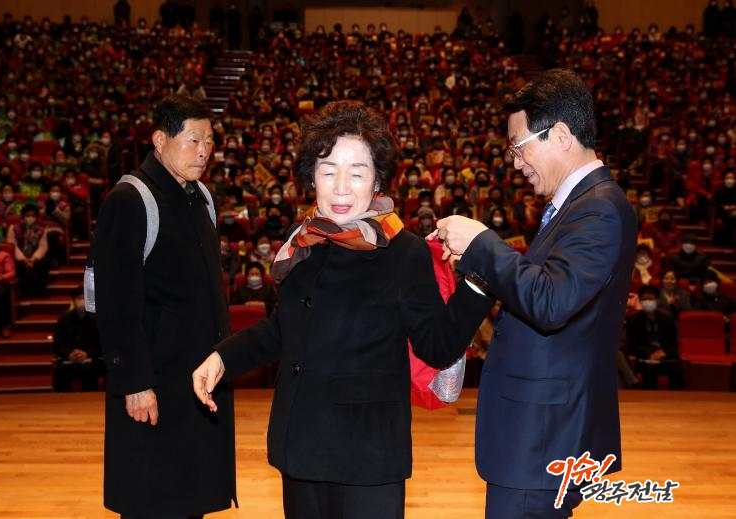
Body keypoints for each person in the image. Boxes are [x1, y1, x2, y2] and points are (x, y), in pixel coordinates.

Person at [192, 101, 488, 519]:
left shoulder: (403, 252)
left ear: (378, 180)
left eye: (357, 172)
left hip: (366, 457)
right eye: (329, 171)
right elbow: (283, 329)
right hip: (300, 446)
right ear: (311, 176)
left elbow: (437, 346)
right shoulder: (303, 241)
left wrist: (477, 282)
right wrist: (223, 357)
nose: (342, 188)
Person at [433, 69, 637, 517]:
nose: (515, 162)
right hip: (540, 435)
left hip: (543, 438)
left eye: (518, 146)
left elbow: (551, 301)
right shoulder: (579, 207)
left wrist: (482, 242)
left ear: (560, 135)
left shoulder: (598, 209)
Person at [93, 95, 235, 518]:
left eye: (209, 142)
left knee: (191, 500)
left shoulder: (201, 197)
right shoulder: (130, 200)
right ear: (159, 140)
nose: (204, 151)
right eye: (193, 140)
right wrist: (134, 382)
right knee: (152, 501)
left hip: (196, 381)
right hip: (154, 385)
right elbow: (115, 304)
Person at [626, 285, 685, 390]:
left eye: (651, 299)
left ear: (657, 300)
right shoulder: (633, 320)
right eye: (644, 299)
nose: (647, 302)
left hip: (665, 357)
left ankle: (676, 398)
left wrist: (664, 353)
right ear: (640, 301)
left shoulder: (668, 319)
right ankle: (649, 398)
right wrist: (650, 353)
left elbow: (673, 343)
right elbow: (634, 344)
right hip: (644, 358)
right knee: (650, 369)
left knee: (678, 369)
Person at [52, 287, 103, 392]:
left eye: (85, 298)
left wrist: (87, 354)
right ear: (73, 300)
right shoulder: (64, 319)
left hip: (91, 359)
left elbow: (101, 344)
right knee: (60, 371)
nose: (82, 301)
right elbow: (57, 344)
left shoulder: (97, 319)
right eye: (79, 298)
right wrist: (69, 354)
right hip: (69, 359)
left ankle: (90, 399)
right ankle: (61, 400)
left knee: (89, 369)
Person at [6, 204, 50, 297]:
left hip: (35, 256)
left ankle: (41, 289)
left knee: (44, 263)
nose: (30, 218)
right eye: (28, 215)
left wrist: (33, 259)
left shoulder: (41, 229)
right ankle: (23, 290)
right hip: (20, 256)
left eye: (33, 215)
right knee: (18, 265)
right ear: (23, 216)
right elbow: (12, 245)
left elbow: (43, 246)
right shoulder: (14, 228)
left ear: (36, 217)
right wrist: (24, 259)